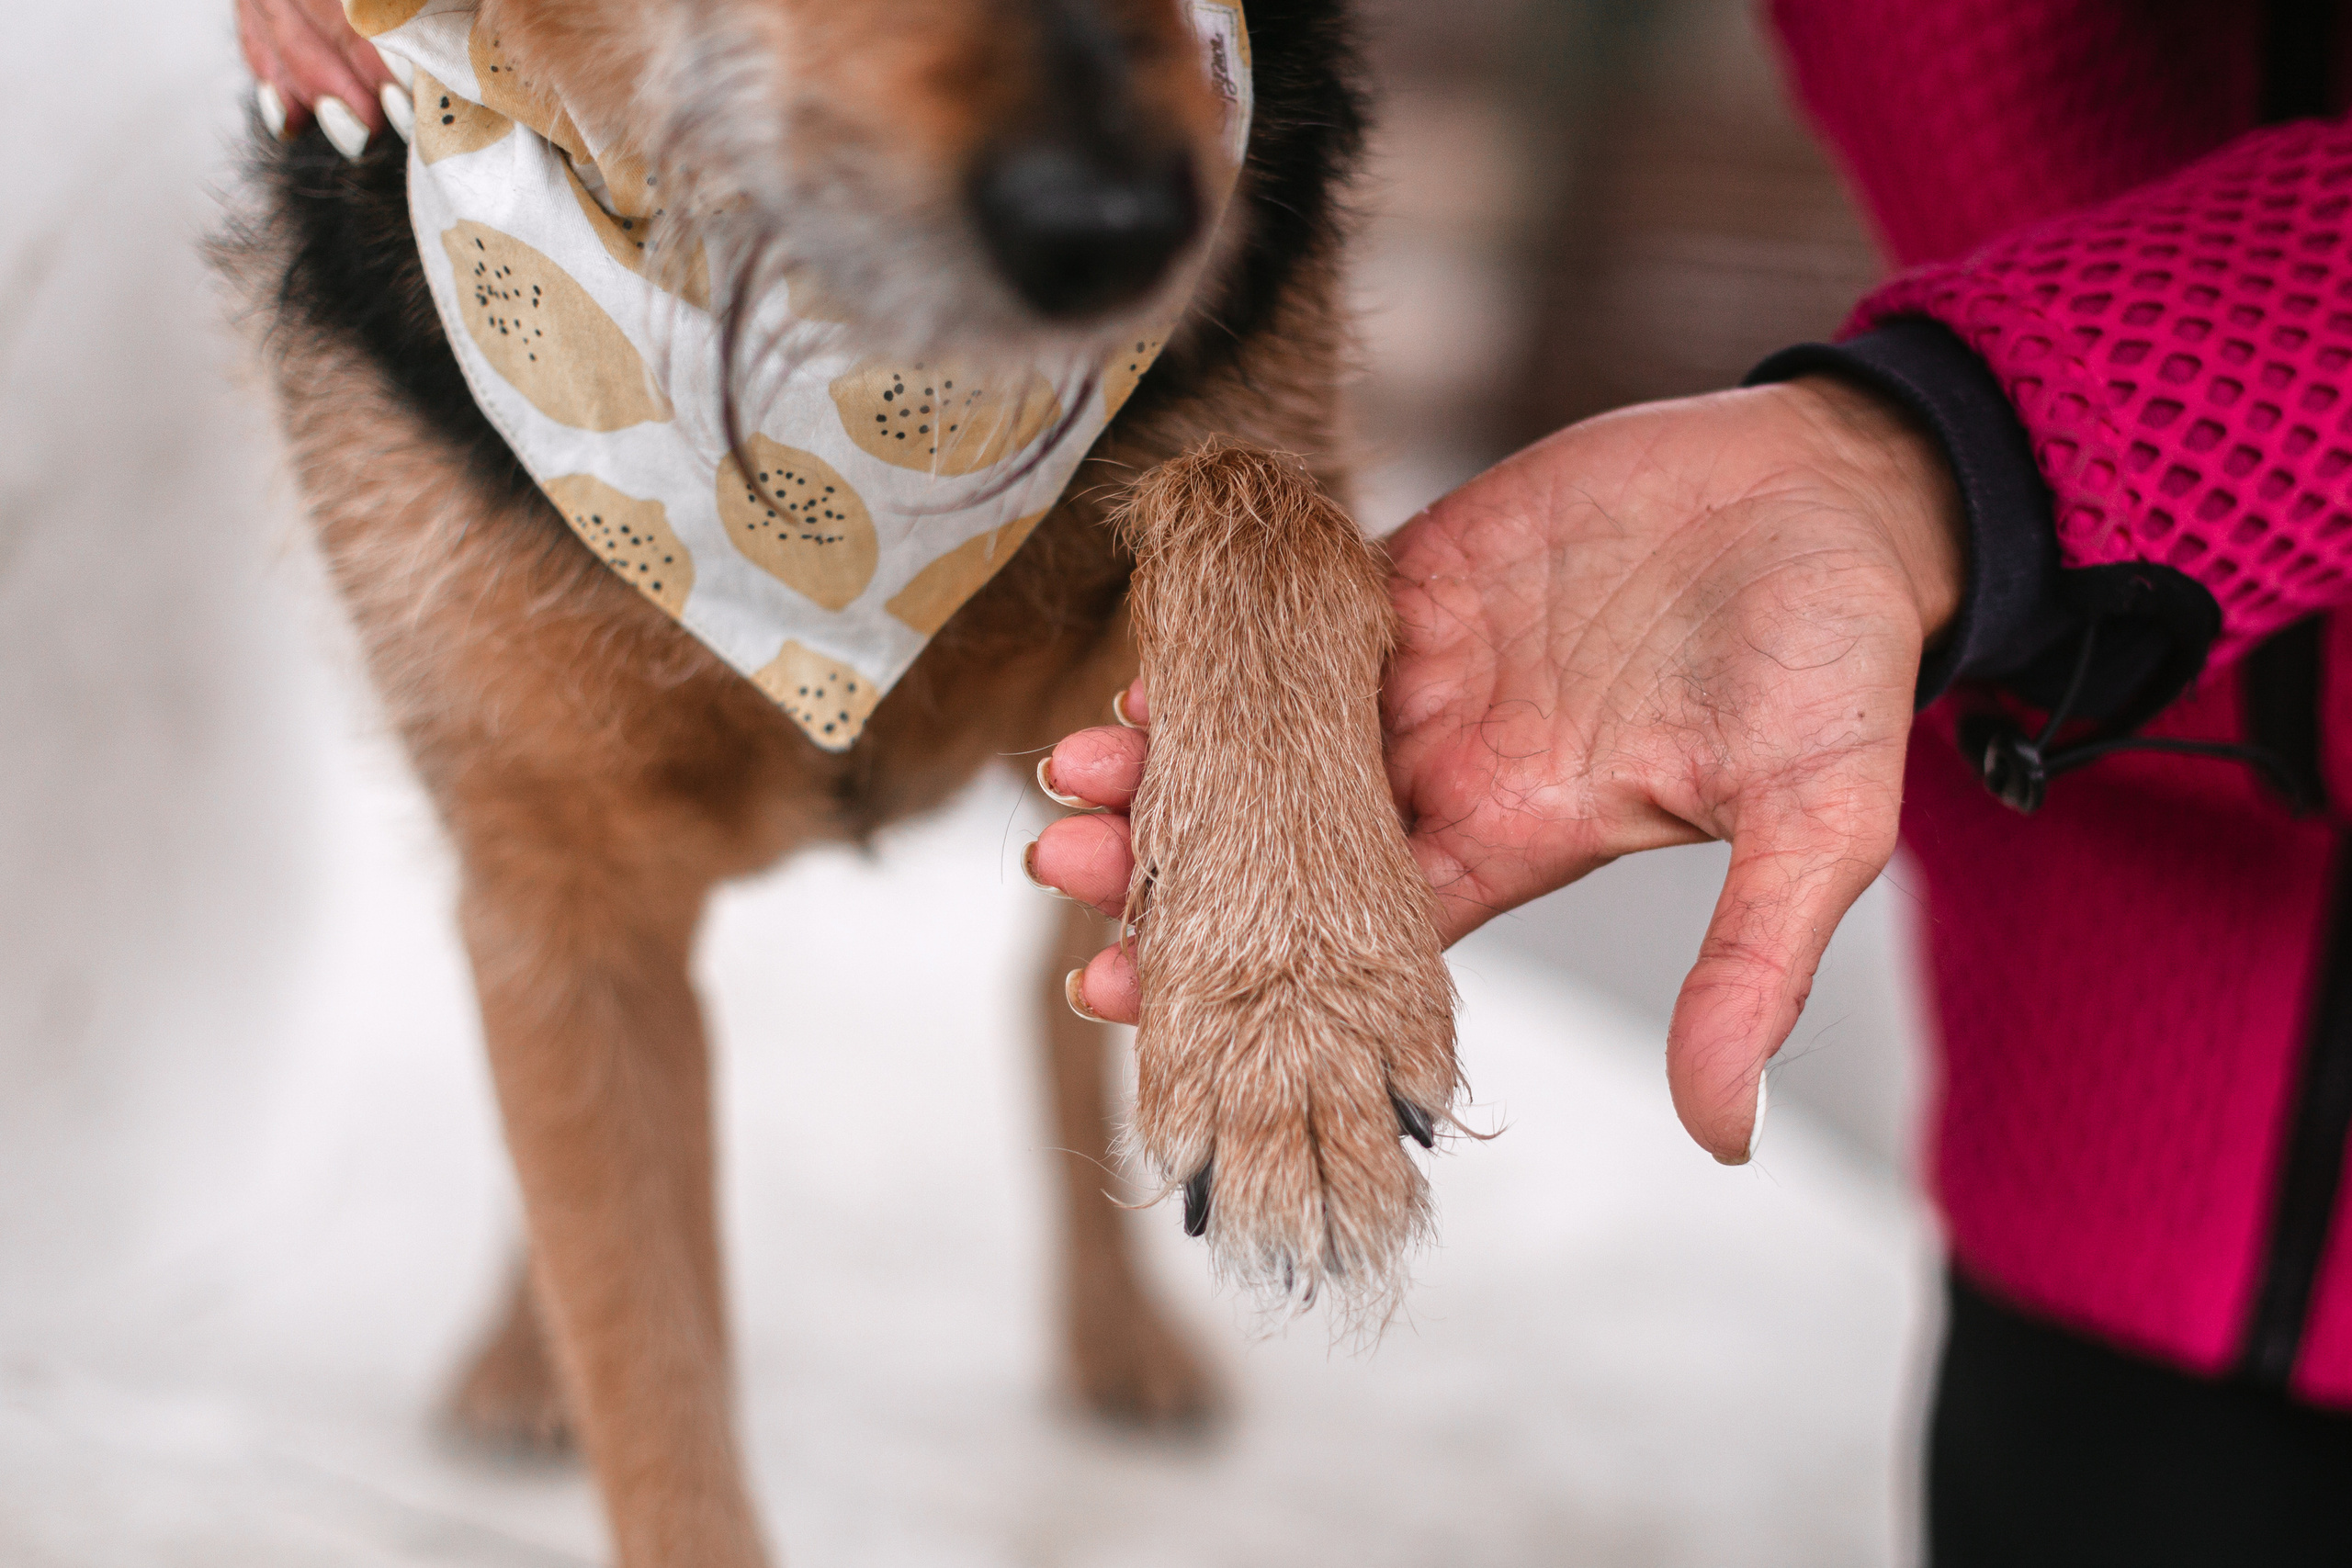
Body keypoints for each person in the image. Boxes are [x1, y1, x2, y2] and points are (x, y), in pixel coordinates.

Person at [243, 0, 2352, 1560]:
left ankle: (1093, 1239)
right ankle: (553, 1278)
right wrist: (1950, 459)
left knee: (1164, 672)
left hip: (2126, 661)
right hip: (2128, 1047)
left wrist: (1974, 450)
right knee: (574, 890)